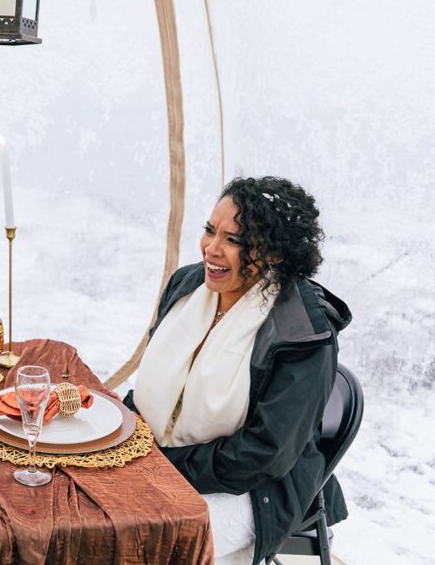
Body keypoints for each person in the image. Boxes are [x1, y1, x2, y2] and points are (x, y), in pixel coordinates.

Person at [125, 176, 351, 565]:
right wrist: (121, 430)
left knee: (147, 544)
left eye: (234, 240)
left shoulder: (304, 334)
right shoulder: (189, 284)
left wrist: (161, 467)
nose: (211, 249)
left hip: (256, 490)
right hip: (162, 458)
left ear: (276, 254)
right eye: (210, 231)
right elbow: (158, 381)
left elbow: (265, 454)